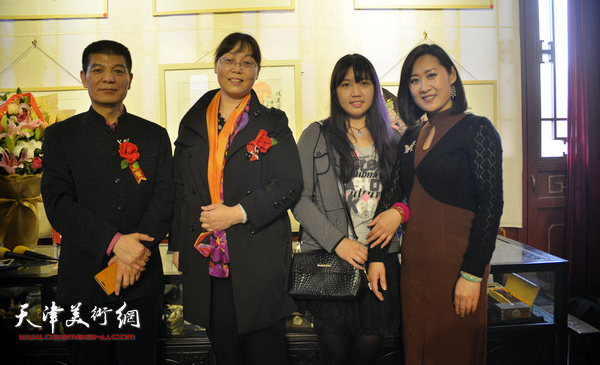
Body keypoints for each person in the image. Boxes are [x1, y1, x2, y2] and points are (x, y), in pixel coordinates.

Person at [169, 32, 302, 364]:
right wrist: (177, 245)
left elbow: (289, 183)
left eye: (247, 62)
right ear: (216, 66)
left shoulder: (272, 123)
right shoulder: (193, 121)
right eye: (229, 60)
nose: (237, 68)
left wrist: (238, 213)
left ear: (257, 71)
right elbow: (179, 188)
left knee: (266, 351)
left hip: (258, 253)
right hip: (205, 253)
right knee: (225, 350)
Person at [368, 44, 503, 364]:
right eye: (415, 80)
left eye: (431, 75)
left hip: (457, 266)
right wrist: (375, 256)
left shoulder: (477, 129)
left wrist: (472, 275)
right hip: (414, 267)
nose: (424, 86)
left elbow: (491, 206)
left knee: (453, 351)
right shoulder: (410, 136)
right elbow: (392, 196)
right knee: (418, 350)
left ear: (451, 75)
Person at [41, 40, 174, 364]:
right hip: (83, 283)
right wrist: (115, 243)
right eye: (98, 70)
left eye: (118, 70)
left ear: (130, 78)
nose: (109, 78)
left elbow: (166, 196)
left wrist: (134, 253)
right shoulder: (60, 136)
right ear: (84, 77)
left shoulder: (154, 135)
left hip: (141, 281)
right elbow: (59, 204)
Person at [292, 54, 403, 365]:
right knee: (335, 356)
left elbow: (405, 196)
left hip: (380, 261)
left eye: (364, 83)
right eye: (346, 84)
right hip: (331, 260)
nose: (356, 92)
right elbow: (299, 199)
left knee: (368, 355)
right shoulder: (316, 135)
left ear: (375, 88)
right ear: (335, 90)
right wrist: (338, 242)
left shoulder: (393, 140)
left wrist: (397, 215)